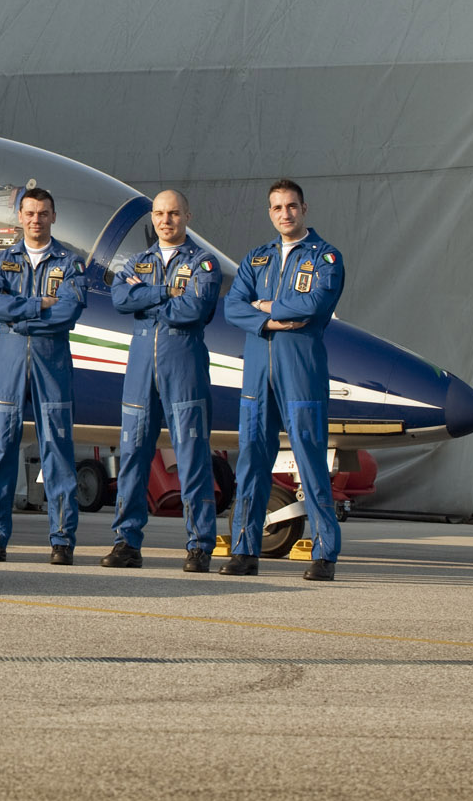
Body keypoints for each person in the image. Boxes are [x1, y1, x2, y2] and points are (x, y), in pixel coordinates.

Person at [223, 178, 346, 580]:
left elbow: (314, 304)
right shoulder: (257, 258)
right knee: (252, 462)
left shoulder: (325, 258)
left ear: (304, 209)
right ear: (269, 212)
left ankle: (325, 554)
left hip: (301, 371)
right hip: (258, 373)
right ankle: (244, 551)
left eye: (291, 206)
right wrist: (273, 318)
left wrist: (265, 306)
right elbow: (233, 306)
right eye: (277, 208)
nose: (284, 214)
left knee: (310, 460)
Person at [103, 189, 222, 571]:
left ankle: (200, 544)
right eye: (158, 214)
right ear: (151, 218)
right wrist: (164, 291)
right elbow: (120, 298)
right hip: (140, 366)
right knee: (133, 454)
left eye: (173, 213)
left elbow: (195, 307)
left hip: (183, 362)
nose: (165, 220)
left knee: (191, 456)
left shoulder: (204, 263)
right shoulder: (137, 261)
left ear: (187, 215)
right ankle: (126, 542)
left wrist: (147, 298)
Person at [0, 187, 90, 563]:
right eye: (29, 213)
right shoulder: (0, 261)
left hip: (52, 360)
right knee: (0, 449)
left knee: (57, 449)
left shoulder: (69, 264)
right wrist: (39, 304)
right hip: (8, 360)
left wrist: (20, 314)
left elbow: (69, 312)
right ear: (19, 217)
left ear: (53, 217)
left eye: (43, 213)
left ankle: (62, 540)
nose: (36, 220)